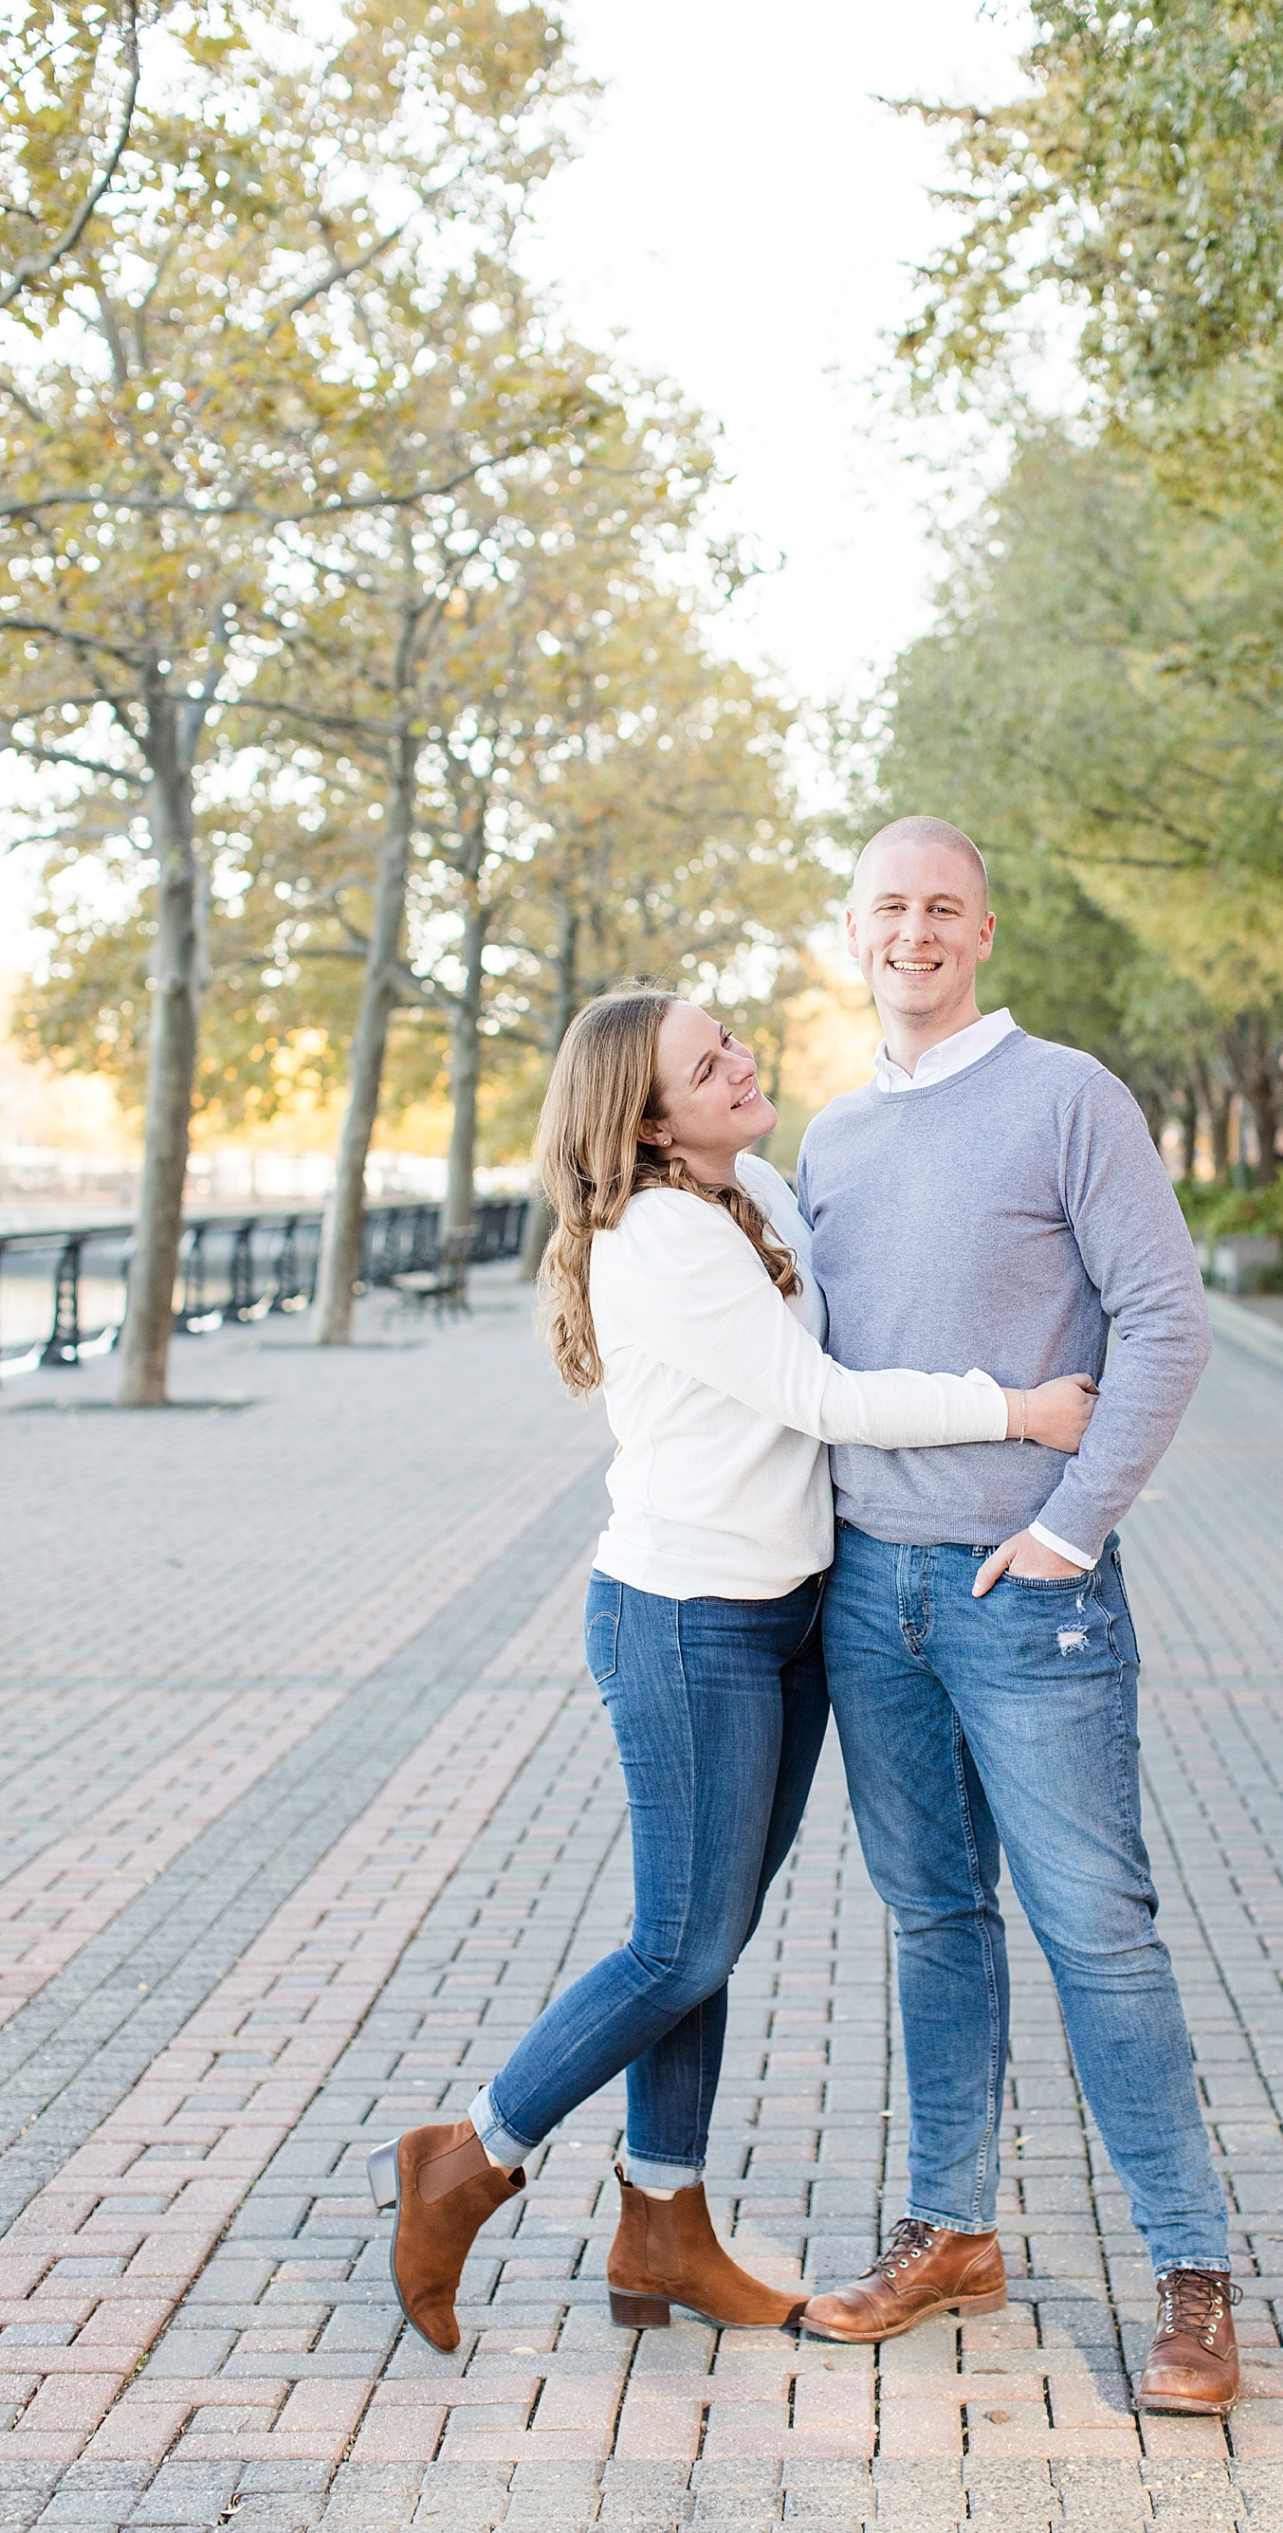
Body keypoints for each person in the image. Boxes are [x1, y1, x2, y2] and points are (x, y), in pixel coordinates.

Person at [368, 985, 1098, 2353]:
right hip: (685, 1618)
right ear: (646, 1123)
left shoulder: (752, 1178)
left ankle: (663, 2229)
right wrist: (1019, 1407)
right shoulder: (658, 1238)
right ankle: (467, 2160)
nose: (743, 1064)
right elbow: (822, 1395)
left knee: (706, 1943)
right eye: (709, 1066)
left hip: (783, 1614)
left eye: (732, 1041)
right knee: (680, 1942)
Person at [793, 815, 1239, 2417]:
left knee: (1099, 1940)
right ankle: (952, 2231)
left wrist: (1068, 1529)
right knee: (932, 1923)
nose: (913, 931)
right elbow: (822, 1377)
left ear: (984, 931)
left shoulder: (1068, 1097)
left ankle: (1194, 2279)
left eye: (942, 907)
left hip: (1026, 1603)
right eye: (886, 908)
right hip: (871, 1598)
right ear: (856, 933)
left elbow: (1167, 1324)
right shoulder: (833, 1142)